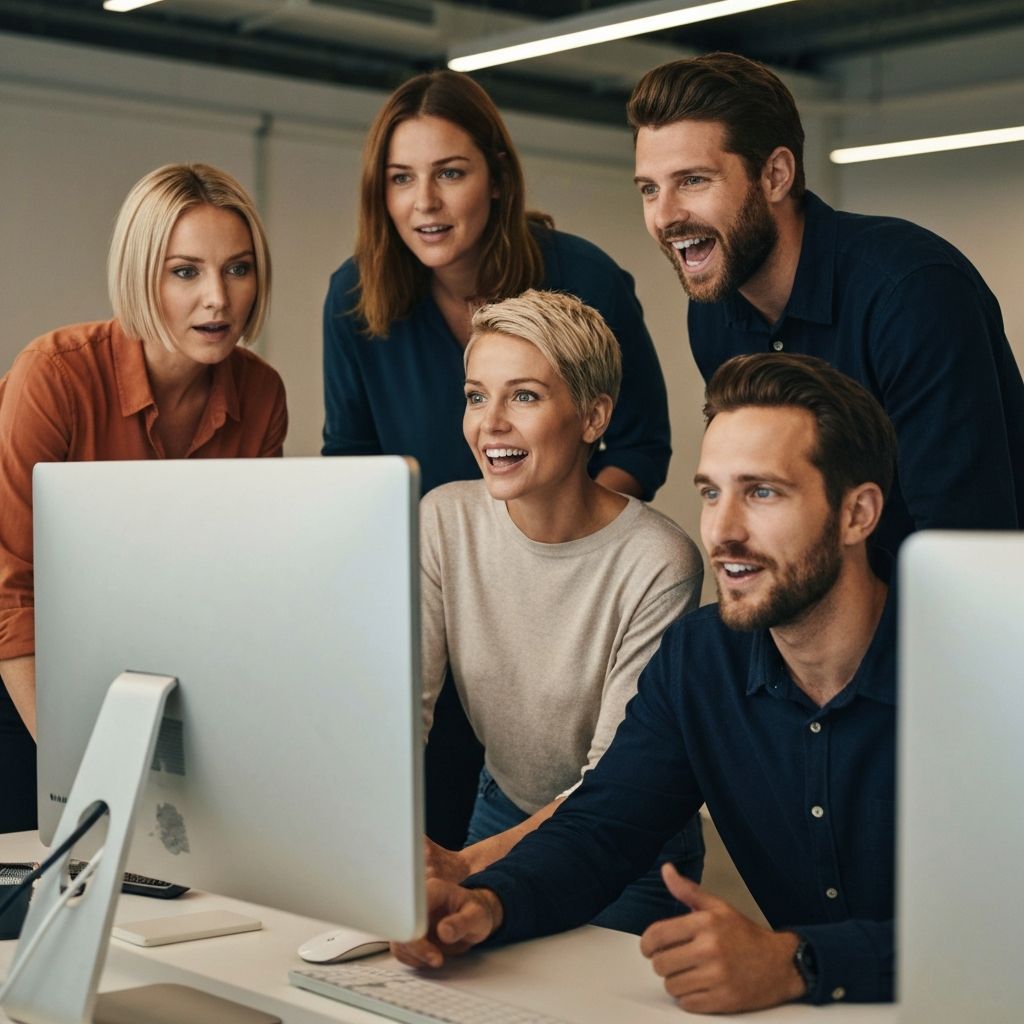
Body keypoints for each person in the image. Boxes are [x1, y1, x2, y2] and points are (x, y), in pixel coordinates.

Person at [393, 352, 900, 1013]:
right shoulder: (702, 659)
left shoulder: (985, 670)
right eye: (711, 493)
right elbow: (604, 828)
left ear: (857, 514)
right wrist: (487, 905)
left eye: (763, 492)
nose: (723, 530)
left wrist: (799, 960)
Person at [323, 69, 672, 848]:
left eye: (450, 172)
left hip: (560, 607)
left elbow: (642, 439)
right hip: (427, 594)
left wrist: (541, 557)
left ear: (498, 178)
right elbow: (352, 468)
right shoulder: (356, 297)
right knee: (427, 840)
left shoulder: (584, 280)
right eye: (401, 179)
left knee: (553, 827)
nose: (426, 202)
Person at [629, 51, 1024, 561]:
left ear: (775, 175)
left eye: (693, 181)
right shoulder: (713, 310)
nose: (664, 217)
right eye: (648, 189)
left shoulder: (912, 291)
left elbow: (964, 542)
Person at [0, 163, 287, 832]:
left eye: (238, 269)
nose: (217, 298)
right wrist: (81, 764)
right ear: (141, 272)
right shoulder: (56, 375)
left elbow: (237, 583)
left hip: (148, 671)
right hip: (18, 670)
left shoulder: (261, 394)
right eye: (185, 271)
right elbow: (12, 586)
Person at [420, 289, 704, 935]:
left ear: (594, 416)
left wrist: (465, 865)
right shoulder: (443, 519)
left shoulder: (659, 561)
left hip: (630, 843)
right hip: (501, 808)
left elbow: (611, 785)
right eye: (475, 395)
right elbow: (405, 710)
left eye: (523, 395)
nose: (489, 422)